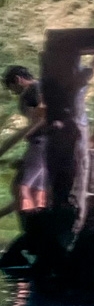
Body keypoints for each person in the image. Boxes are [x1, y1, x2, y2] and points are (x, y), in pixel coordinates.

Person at [0, 65, 47, 213]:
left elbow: (39, 119)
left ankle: (34, 225)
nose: (12, 92)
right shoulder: (42, 87)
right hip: (44, 144)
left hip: (41, 143)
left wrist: (6, 146)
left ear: (18, 80)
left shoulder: (32, 92)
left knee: (21, 187)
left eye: (11, 87)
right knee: (33, 189)